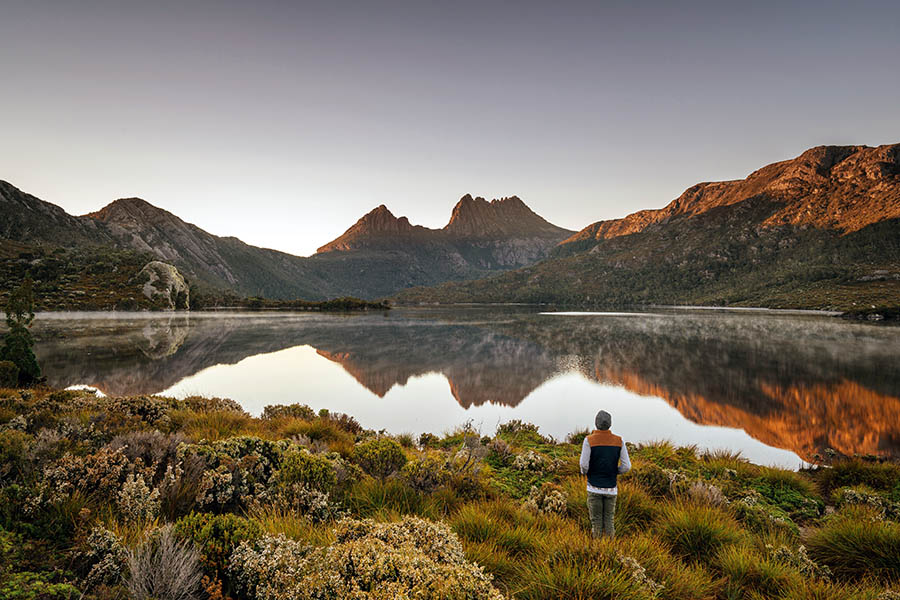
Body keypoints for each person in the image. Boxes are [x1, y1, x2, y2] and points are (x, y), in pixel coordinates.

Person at [579, 410, 631, 538]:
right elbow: (627, 466)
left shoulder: (589, 440)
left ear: (596, 423)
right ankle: (611, 552)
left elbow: (584, 465)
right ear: (610, 424)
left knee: (596, 521)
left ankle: (598, 552)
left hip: (593, 487)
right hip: (611, 488)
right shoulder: (619, 441)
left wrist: (585, 473)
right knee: (609, 521)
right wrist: (615, 471)